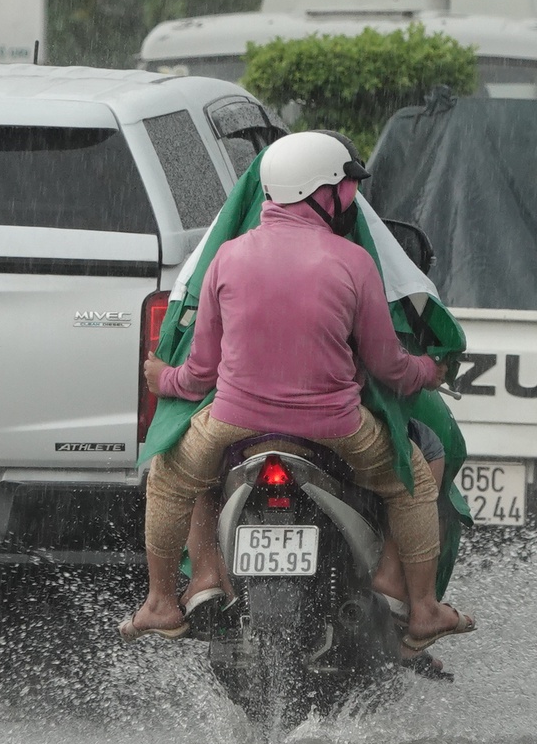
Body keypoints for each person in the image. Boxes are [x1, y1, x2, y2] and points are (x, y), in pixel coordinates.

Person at [125, 132, 473, 654]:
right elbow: (390, 368)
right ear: (321, 192)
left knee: (169, 475)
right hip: (338, 430)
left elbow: (199, 373)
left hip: (233, 424)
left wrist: (162, 380)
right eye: (349, 186)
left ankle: (161, 604)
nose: (354, 198)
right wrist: (430, 369)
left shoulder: (225, 259)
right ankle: (420, 609)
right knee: (417, 474)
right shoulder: (354, 262)